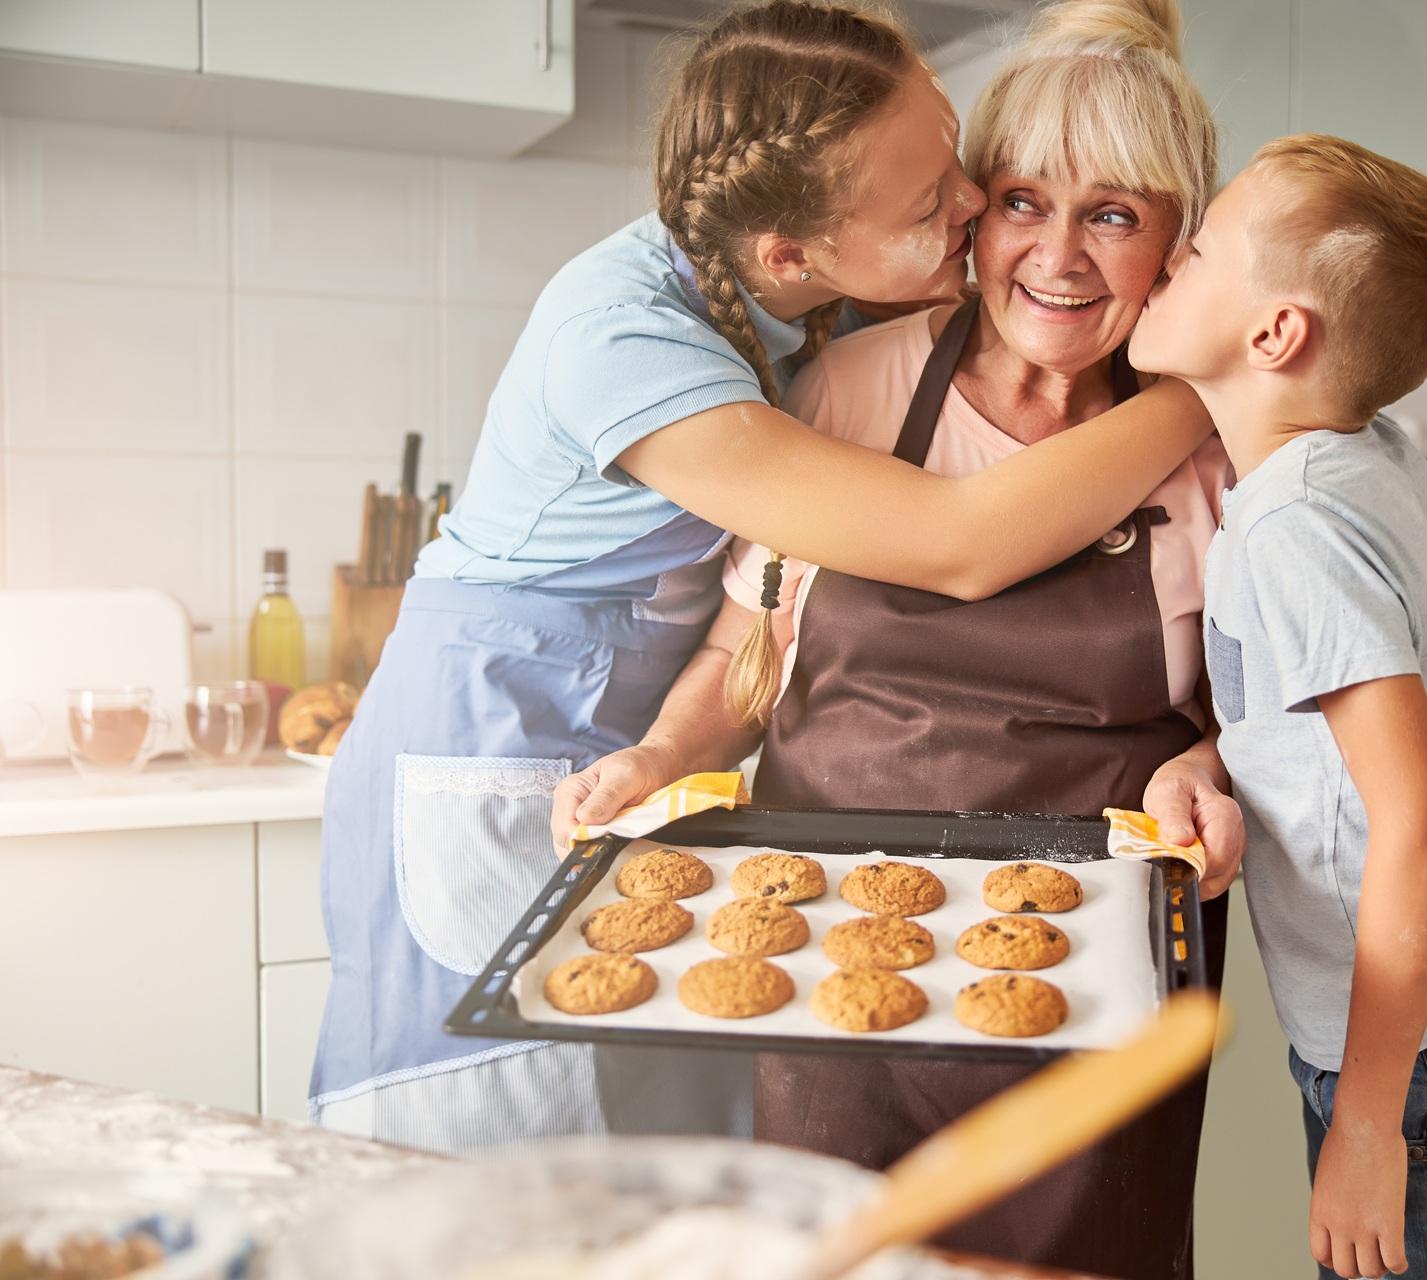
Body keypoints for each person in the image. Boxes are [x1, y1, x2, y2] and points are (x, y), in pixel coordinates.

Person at [309, 0, 1214, 1153]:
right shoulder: (626, 335)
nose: (976, 212)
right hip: (499, 734)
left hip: (630, 755)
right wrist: (1200, 390)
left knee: (665, 1173)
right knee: (502, 1154)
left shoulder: (789, 296)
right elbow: (956, 540)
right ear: (795, 254)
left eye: (960, 170)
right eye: (946, 204)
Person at [551, 3, 1238, 1275]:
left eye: (1114, 214)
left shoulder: (1214, 450)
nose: (1060, 256)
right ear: (975, 214)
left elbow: (1243, 716)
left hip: (1094, 978)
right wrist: (656, 756)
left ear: (1175, 243)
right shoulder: (852, 386)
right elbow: (747, 651)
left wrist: (1206, 767)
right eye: (1026, 200)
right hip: (826, 963)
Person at [1126, 133, 1427, 1280]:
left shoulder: (1293, 523)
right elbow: (1316, 721)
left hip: (1418, 1060)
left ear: (1275, 335)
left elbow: (1420, 824)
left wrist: (1368, 1121)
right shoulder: (1365, 455)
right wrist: (1213, 760)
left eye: (1197, 249)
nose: (1164, 258)